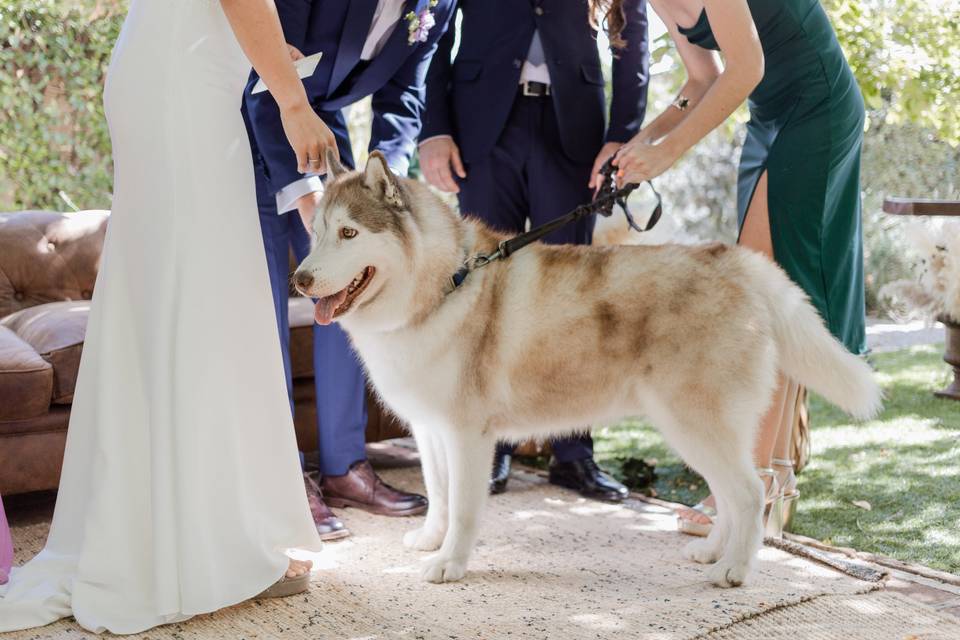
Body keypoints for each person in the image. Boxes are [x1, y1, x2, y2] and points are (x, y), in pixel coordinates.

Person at [0, 0, 331, 632]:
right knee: (202, 292)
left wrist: (258, 54)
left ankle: (208, 527)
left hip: (178, 61)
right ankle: (201, 544)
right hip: (184, 79)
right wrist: (293, 101)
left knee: (199, 289)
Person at [609, 0, 866, 534]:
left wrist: (671, 151)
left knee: (761, 294)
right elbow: (703, 78)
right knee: (775, 289)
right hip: (770, 115)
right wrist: (644, 141)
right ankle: (773, 475)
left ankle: (752, 480)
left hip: (818, 103)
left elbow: (746, 68)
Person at [418, 0, 649, 501]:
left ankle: (574, 454)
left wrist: (622, 136)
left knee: (572, 300)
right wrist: (433, 128)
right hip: (480, 131)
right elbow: (432, 29)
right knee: (484, 297)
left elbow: (632, 35)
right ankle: (491, 444)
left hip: (577, 133)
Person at [243, 0, 457, 540]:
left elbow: (404, 93)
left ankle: (345, 469)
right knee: (259, 310)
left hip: (321, 124)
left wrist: (386, 183)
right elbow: (265, 71)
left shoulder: (440, 4)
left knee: (353, 295)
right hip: (250, 123)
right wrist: (310, 203)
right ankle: (282, 479)